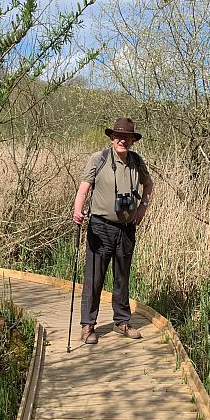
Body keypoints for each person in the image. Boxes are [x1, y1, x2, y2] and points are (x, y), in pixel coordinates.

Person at [73, 118, 153, 345]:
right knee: (94, 278)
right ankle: (88, 326)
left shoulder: (137, 162)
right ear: (111, 138)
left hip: (126, 229)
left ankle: (122, 322)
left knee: (122, 277)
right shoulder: (98, 159)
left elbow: (148, 186)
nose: (122, 140)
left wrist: (141, 210)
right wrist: (78, 211)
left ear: (132, 140)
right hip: (100, 227)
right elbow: (84, 189)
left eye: (127, 137)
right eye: (118, 136)